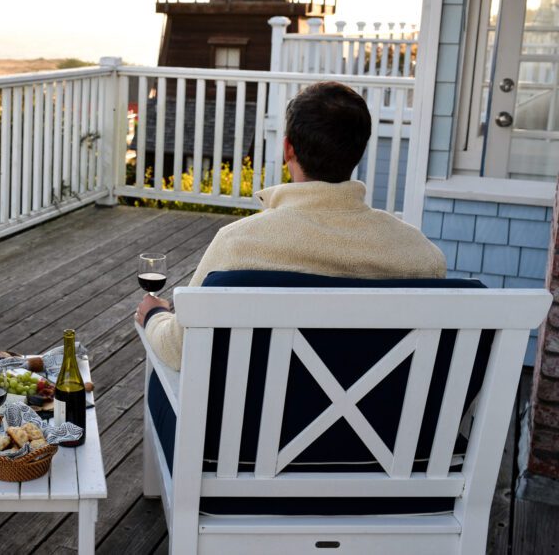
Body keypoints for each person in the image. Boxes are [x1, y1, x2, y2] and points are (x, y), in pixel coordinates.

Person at [135, 81, 445, 371]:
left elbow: (179, 350)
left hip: (251, 427)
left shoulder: (237, 244)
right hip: (380, 427)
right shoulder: (422, 256)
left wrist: (155, 315)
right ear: (358, 151)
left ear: (288, 149)